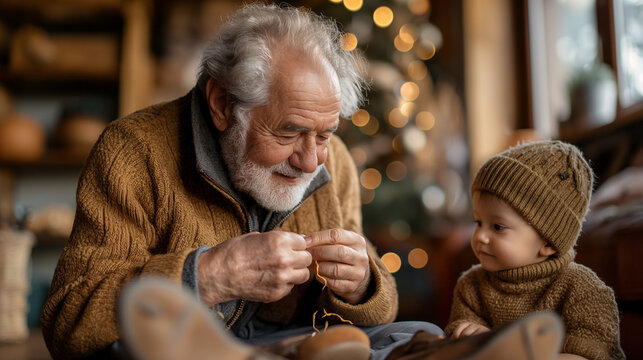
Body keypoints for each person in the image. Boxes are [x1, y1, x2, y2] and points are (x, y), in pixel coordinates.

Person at [40, 3, 442, 359]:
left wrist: (363, 283)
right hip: (186, 347)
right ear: (222, 104)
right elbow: (68, 324)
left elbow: (379, 308)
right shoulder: (132, 152)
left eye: (324, 134)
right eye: (288, 132)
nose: (310, 161)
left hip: (293, 339)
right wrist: (210, 274)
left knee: (421, 335)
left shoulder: (332, 160)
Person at [444, 140, 626, 359]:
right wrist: (472, 336)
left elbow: (591, 352)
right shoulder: (471, 285)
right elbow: (457, 341)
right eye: (478, 222)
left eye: (498, 227)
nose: (480, 236)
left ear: (548, 243)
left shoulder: (582, 289)